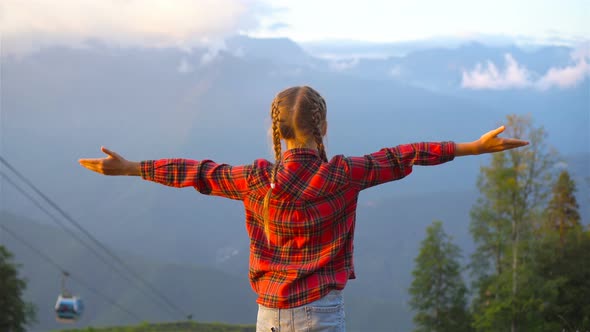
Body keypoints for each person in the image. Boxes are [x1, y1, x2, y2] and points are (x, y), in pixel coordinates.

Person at [79, 85, 528, 331]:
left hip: (269, 316)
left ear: (276, 132)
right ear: (323, 127)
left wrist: (133, 168)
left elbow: (197, 172)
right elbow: (404, 154)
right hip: (323, 314)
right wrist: (471, 147)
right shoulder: (344, 174)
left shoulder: (255, 181)